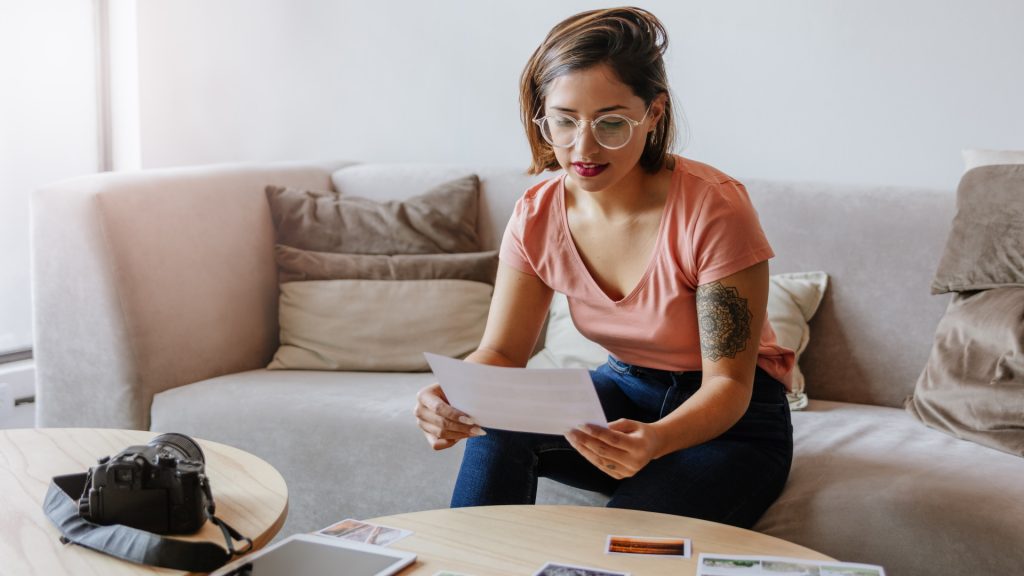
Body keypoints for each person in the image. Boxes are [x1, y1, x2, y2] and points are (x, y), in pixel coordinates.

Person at [413, 6, 796, 529]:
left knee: (620, 541)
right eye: (564, 122)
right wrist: (455, 396)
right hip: (623, 391)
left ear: (653, 114)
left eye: (611, 122)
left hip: (732, 425)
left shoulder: (714, 209)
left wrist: (657, 440)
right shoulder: (537, 213)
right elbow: (501, 352)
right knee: (494, 423)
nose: (583, 147)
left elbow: (727, 385)